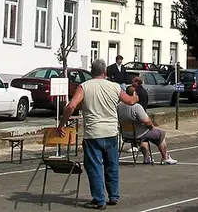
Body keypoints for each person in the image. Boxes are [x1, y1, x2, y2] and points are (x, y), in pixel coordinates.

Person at [59, 58, 139, 210]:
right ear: (105, 72)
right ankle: (113, 195)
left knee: (94, 167)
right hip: (111, 131)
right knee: (112, 165)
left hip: (93, 133)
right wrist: (135, 95)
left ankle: (99, 199)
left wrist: (62, 123)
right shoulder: (114, 87)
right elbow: (130, 101)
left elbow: (71, 106)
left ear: (91, 71)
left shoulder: (84, 87)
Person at [118, 86, 177, 165]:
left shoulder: (119, 106)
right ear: (134, 94)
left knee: (145, 137)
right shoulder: (137, 107)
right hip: (138, 134)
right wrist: (151, 126)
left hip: (126, 134)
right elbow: (147, 121)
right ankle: (165, 157)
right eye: (137, 94)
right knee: (161, 133)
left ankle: (147, 158)